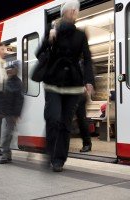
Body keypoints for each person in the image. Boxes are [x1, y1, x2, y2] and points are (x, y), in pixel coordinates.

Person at [36, 0, 95, 172]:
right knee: (53, 118)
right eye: (70, 10)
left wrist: (89, 80)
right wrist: (49, 40)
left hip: (73, 85)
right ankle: (51, 152)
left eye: (76, 10)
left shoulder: (81, 35)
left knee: (65, 124)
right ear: (64, 12)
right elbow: (39, 54)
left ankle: (59, 159)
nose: (74, 13)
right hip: (53, 83)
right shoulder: (51, 30)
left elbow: (87, 59)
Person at [0, 62, 24, 164]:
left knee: (7, 133)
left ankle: (5, 154)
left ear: (16, 70)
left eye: (11, 69)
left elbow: (19, 100)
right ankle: (7, 154)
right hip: (6, 112)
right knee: (8, 133)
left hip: (12, 113)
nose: (8, 71)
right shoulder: (8, 81)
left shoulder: (17, 83)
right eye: (7, 70)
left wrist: (16, 114)